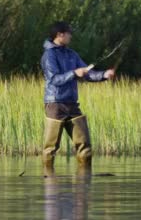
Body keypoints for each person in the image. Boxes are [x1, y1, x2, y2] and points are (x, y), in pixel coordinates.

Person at [40, 21, 115, 174]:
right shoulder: (49, 55)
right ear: (60, 34)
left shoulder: (72, 54)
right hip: (55, 105)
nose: (71, 36)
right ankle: (48, 181)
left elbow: (87, 74)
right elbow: (54, 79)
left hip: (72, 104)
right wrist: (74, 73)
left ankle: (84, 182)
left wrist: (104, 75)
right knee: (50, 147)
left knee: (84, 145)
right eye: (69, 33)